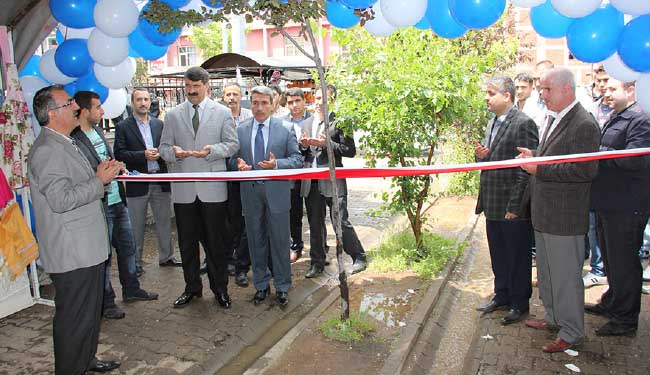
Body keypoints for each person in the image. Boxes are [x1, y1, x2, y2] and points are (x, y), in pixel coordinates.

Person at [28, 85, 121, 374]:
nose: (76, 107)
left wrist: (103, 172)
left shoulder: (67, 141)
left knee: (89, 314)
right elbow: (61, 199)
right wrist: (98, 181)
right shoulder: (46, 150)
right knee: (73, 319)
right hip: (72, 253)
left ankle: (86, 360)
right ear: (53, 113)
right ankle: (70, 368)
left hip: (88, 248)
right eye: (69, 103)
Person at [517, 68, 600, 353]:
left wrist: (539, 168)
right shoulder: (556, 118)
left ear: (567, 89)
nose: (542, 94)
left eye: (548, 89)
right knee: (550, 275)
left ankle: (572, 332)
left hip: (564, 218)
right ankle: (553, 319)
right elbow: (558, 158)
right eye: (541, 89)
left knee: (565, 278)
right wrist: (536, 157)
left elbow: (585, 170)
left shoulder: (583, 124)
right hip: (545, 214)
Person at [71, 91, 159, 320]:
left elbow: (106, 160)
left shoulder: (98, 131)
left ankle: (132, 288)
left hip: (117, 199)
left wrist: (118, 167)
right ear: (84, 111)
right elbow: (81, 173)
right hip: (99, 204)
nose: (102, 111)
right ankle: (106, 301)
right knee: (105, 255)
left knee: (127, 248)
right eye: (97, 107)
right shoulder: (74, 139)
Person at [159, 67, 239, 309]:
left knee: (215, 243)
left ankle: (220, 289)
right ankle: (192, 288)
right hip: (184, 189)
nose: (191, 91)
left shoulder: (222, 112)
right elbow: (162, 148)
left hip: (212, 188)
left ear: (206, 85)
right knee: (187, 242)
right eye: (187, 87)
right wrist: (173, 154)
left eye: (195, 87)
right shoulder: (172, 115)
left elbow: (232, 144)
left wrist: (212, 151)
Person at [586, 78, 650, 337]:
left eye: (613, 89)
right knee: (611, 258)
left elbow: (635, 159)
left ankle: (625, 319)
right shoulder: (617, 116)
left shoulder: (641, 120)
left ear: (630, 90)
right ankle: (613, 301)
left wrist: (597, 151)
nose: (606, 93)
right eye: (606, 89)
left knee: (624, 261)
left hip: (627, 205)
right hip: (608, 202)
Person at [229, 85, 302, 307]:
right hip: (250, 194)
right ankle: (261, 285)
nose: (259, 108)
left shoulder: (286, 128)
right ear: (250, 104)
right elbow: (232, 160)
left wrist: (276, 164)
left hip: (277, 194)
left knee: (280, 243)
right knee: (255, 241)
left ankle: (282, 287)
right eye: (255, 103)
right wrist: (237, 164)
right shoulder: (240, 130)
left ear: (273, 105)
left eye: (264, 103)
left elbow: (297, 160)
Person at [474, 76, 539, 326]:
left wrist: (516, 206)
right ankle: (501, 295)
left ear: (507, 96)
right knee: (498, 254)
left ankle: (519, 303)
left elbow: (527, 168)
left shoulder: (524, 123)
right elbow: (495, 158)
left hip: (511, 206)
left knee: (517, 256)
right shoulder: (492, 122)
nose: (487, 98)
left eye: (491, 93)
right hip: (492, 201)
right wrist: (483, 156)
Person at [299, 85, 368, 278]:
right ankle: (317, 262)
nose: (320, 102)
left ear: (333, 100)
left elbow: (350, 150)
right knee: (314, 223)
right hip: (311, 180)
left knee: (340, 220)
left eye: (324, 99)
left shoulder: (340, 122)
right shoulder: (306, 123)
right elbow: (303, 153)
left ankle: (358, 256)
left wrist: (326, 144)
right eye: (318, 98)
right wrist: (304, 145)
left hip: (333, 180)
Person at [113, 88, 181, 274]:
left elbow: (167, 147)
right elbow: (119, 153)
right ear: (132, 103)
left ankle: (167, 257)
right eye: (139, 100)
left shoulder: (159, 124)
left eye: (146, 99)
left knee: (164, 222)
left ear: (150, 102)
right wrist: (142, 155)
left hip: (160, 180)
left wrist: (161, 154)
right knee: (136, 226)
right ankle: (136, 263)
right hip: (138, 183)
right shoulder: (123, 127)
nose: (143, 103)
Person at [223, 83, 254, 287]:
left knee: (247, 222)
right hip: (227, 177)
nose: (232, 98)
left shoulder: (250, 117)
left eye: (235, 94)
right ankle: (230, 260)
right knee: (231, 221)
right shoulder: (219, 117)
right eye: (228, 94)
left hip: (249, 176)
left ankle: (243, 262)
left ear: (241, 96)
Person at [283, 87, 313, 263]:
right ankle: (296, 245)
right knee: (293, 212)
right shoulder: (281, 122)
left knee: (315, 212)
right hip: (291, 174)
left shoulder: (313, 119)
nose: (294, 105)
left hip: (311, 172)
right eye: (290, 102)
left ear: (304, 101)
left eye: (297, 101)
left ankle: (320, 249)